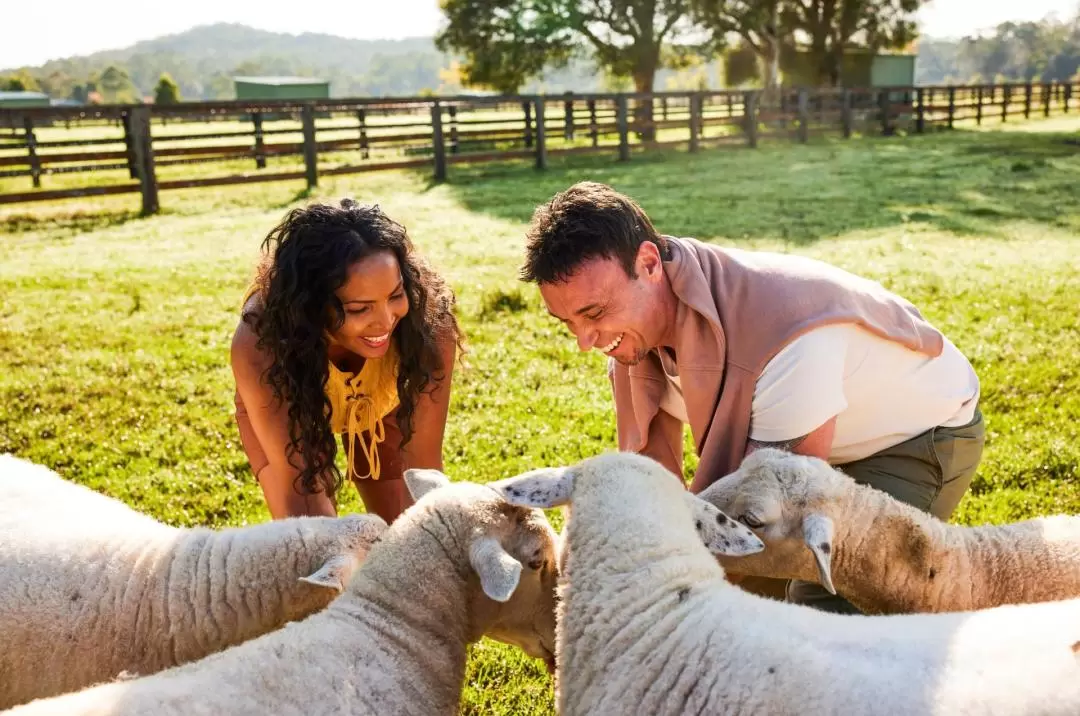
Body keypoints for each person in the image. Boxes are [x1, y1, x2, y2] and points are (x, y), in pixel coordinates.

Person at [519, 181, 984, 614]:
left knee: (816, 612)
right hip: (808, 448)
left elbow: (776, 509)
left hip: (913, 437)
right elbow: (658, 488)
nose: (584, 340)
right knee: (719, 599)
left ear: (649, 263)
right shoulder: (632, 340)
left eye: (594, 313)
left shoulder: (787, 339)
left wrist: (646, 591)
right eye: (568, 323)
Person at [230, 198, 462, 524]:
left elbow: (423, 469)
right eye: (359, 309)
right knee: (312, 538)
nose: (384, 321)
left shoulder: (429, 326)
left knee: (409, 528)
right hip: (297, 400)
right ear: (309, 305)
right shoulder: (260, 344)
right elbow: (299, 490)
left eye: (396, 295)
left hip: (383, 401)